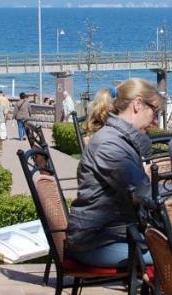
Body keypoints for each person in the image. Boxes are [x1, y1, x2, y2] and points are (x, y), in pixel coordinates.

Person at [67, 79, 163, 269]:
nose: (155, 120)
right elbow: (143, 193)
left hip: (110, 235)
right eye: (155, 111)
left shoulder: (117, 140)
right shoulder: (110, 145)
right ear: (137, 104)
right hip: (97, 243)